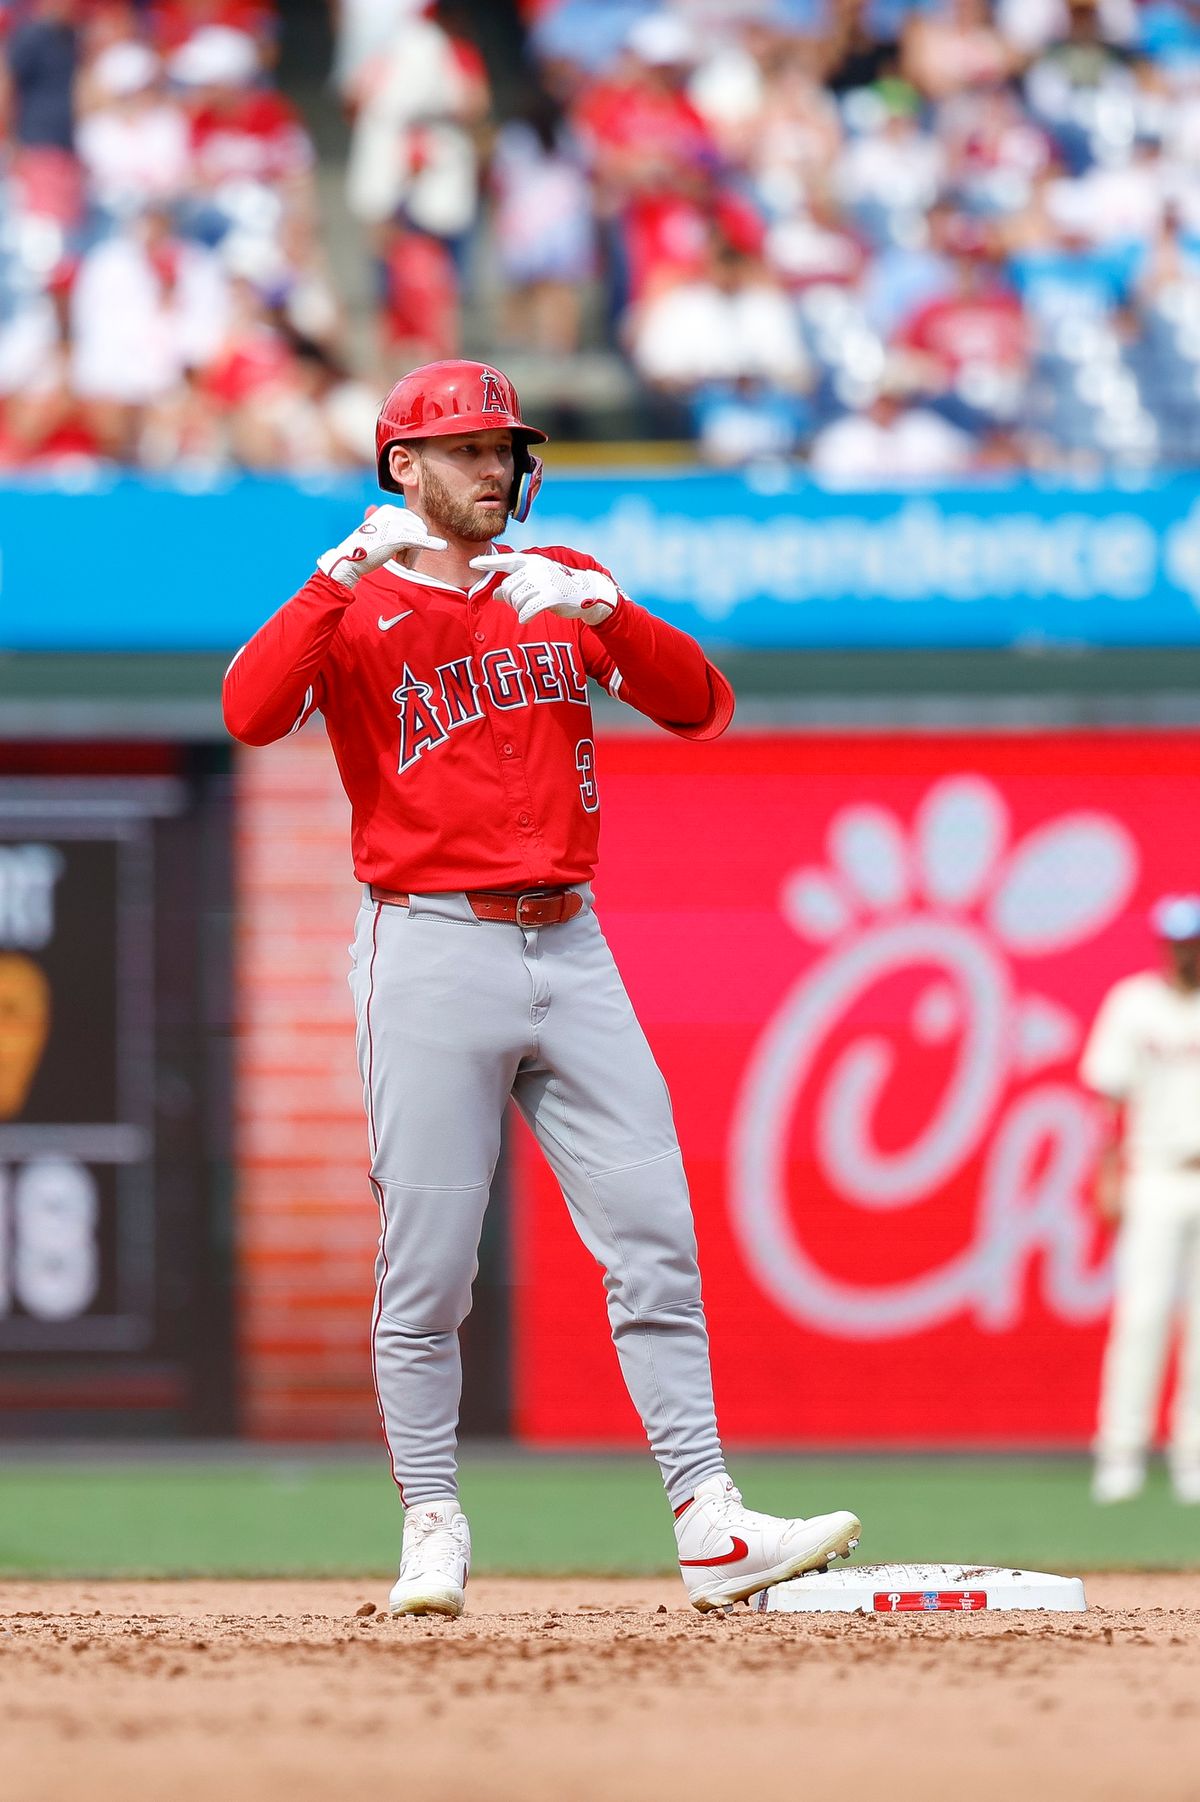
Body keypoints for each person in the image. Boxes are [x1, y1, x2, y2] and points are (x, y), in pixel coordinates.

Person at [222, 358, 863, 1616]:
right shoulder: (355, 600)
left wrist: (607, 611)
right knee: (430, 1270)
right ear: (402, 465)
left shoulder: (555, 581)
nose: (492, 468)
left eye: (503, 448)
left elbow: (703, 706)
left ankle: (710, 1519)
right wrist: (327, 579)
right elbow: (250, 712)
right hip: (430, 946)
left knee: (656, 1243)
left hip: (572, 945)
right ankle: (431, 1520)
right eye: (464, 449)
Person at [1081, 894, 1200, 1505]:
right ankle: (1121, 1453)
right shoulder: (1134, 1004)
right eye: (1178, 941)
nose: (1186, 952)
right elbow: (1108, 1099)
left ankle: (1193, 1459)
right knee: (1144, 1314)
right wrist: (1107, 1175)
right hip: (1154, 1173)